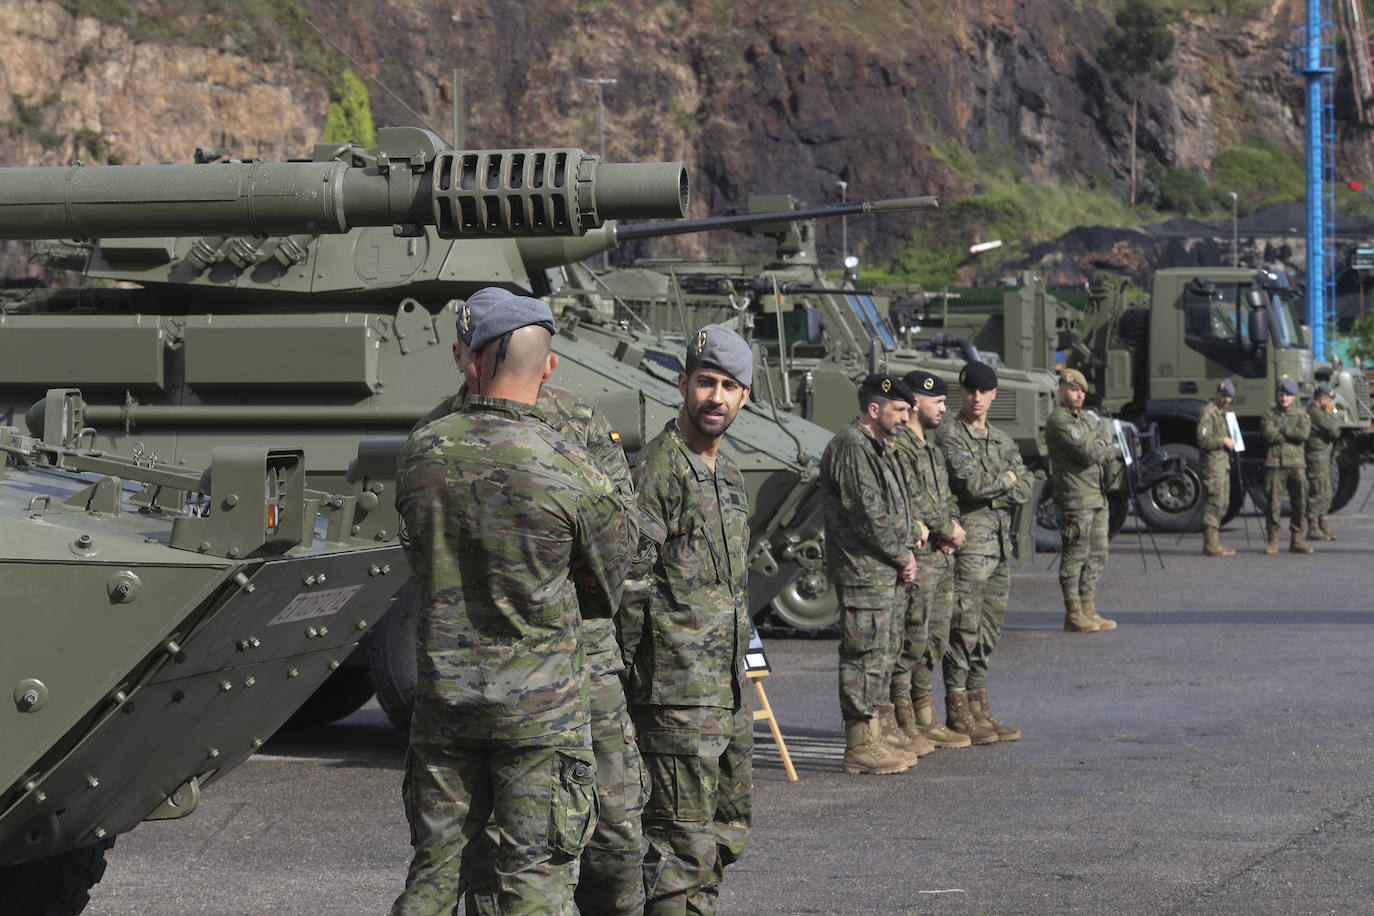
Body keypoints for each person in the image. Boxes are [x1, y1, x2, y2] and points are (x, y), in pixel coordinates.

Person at [392, 294, 632, 916]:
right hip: (540, 710)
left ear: (465, 360)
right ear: (548, 367)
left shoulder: (422, 450)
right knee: (535, 878)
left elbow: (419, 556)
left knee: (435, 872)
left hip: (445, 700)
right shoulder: (566, 463)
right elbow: (608, 582)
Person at [620, 324, 754, 913]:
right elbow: (628, 586)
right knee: (679, 849)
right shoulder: (657, 470)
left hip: (725, 687)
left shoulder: (729, 476)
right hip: (673, 693)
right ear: (682, 385)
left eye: (729, 386)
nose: (716, 397)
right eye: (705, 382)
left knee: (726, 832)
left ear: (744, 396)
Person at [821, 373, 926, 775]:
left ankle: (876, 735)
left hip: (882, 568)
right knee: (864, 654)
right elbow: (868, 515)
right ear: (873, 409)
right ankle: (859, 745)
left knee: (883, 651)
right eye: (899, 409)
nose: (905, 417)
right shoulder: (852, 446)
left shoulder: (877, 447)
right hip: (864, 569)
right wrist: (903, 556)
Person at [937, 360, 1032, 744]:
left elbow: (1027, 490)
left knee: (989, 629)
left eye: (984, 391)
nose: (976, 398)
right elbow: (973, 485)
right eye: (970, 391)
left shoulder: (1003, 440)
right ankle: (958, 709)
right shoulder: (951, 436)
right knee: (964, 627)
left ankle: (979, 705)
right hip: (969, 547)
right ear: (961, 392)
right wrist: (1007, 479)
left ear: (994, 394)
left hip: (999, 547)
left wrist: (1007, 481)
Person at [889, 369, 971, 750]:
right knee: (912, 639)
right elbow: (913, 500)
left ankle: (925, 713)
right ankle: (903, 715)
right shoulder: (900, 446)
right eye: (937, 401)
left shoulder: (932, 448)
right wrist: (946, 528)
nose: (943, 408)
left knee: (935, 640)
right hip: (922, 559)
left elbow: (946, 495)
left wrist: (953, 523)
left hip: (942, 558)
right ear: (915, 401)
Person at [1044, 368, 1118, 633]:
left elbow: (1107, 444)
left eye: (1083, 391)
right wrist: (1102, 445)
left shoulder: (1085, 418)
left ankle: (1089, 609)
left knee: (1097, 554)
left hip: (1096, 496)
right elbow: (1089, 452)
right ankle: (1073, 613)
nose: (1079, 394)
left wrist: (1102, 445)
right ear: (1062, 389)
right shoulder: (1060, 420)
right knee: (1076, 554)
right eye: (1074, 389)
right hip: (1076, 498)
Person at [1260, 377, 1312, 555]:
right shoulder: (1269, 415)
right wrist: (1291, 433)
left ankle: (1297, 540)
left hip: (1297, 464)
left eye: (1288, 395)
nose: (1284, 398)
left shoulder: (1301, 414)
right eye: (1281, 395)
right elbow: (1268, 436)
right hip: (1275, 464)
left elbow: (1303, 434)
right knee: (1273, 504)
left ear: (1294, 397)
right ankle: (1273, 541)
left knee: (1300, 503)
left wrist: (1282, 430)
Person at [1196, 379, 1239, 557]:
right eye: (1225, 396)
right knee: (1214, 502)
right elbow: (1202, 439)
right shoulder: (1208, 412)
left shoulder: (1223, 413)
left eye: (1230, 397)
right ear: (1217, 394)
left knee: (1223, 503)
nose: (1227, 400)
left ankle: (1215, 542)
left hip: (1223, 464)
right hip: (1213, 465)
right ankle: (1210, 544)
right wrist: (1222, 441)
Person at [1305, 382, 1342, 542]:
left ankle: (1323, 524)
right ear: (1324, 399)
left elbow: (1335, 418)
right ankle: (1313, 527)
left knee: (1326, 493)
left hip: (1324, 456)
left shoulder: (1323, 410)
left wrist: (1332, 411)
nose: (1331, 403)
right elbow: (1333, 430)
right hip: (1316, 457)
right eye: (1330, 400)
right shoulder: (1314, 412)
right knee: (1317, 492)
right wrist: (1333, 414)